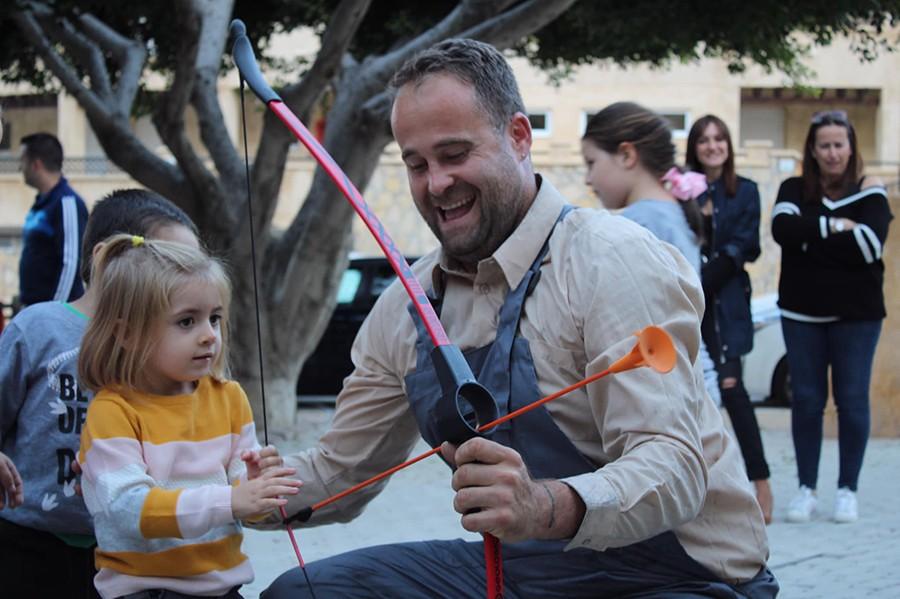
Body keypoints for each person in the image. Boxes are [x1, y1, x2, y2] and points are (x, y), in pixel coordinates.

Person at [261, 39, 776, 598]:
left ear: (519, 137)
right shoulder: (405, 309)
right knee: (306, 592)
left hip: (680, 579)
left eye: (455, 154)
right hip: (528, 573)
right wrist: (206, 498)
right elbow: (340, 473)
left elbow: (675, 467)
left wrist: (543, 505)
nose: (436, 183)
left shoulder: (613, 258)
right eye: (416, 164)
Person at [0, 189, 202, 598]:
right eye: (170, 266)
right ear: (108, 258)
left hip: (126, 555)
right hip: (24, 545)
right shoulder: (38, 328)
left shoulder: (172, 349)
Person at [77, 234, 302, 599]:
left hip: (223, 588)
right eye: (186, 322)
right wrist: (231, 500)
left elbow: (242, 500)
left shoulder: (229, 397)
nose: (209, 336)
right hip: (146, 591)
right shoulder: (114, 410)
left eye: (214, 318)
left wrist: (256, 485)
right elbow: (128, 509)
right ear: (127, 334)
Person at [772, 110, 892, 524]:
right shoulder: (793, 187)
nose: (832, 152)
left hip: (857, 316)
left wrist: (811, 237)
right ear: (813, 149)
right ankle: (806, 489)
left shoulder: (869, 190)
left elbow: (868, 245)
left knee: (852, 400)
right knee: (806, 401)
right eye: (824, 145)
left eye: (839, 144)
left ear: (851, 148)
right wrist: (835, 227)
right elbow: (782, 231)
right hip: (801, 313)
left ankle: (848, 491)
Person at [580, 101, 721, 407]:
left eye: (591, 163)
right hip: (693, 381)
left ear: (627, 155)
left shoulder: (636, 225)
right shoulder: (672, 212)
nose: (588, 180)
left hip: (669, 388)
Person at [685, 115, 774, 523]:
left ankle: (761, 483)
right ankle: (710, 486)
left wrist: (704, 276)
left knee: (733, 391)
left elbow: (747, 246)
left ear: (728, 145)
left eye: (719, 139)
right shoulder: (682, 191)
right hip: (694, 308)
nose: (712, 146)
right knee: (700, 395)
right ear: (694, 147)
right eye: (704, 140)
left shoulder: (746, 191)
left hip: (727, 306)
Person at [18, 132, 89, 306]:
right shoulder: (42, 203)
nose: (20, 169)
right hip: (34, 308)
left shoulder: (67, 202)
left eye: (22, 162)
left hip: (52, 315)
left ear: (36, 164)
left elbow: (71, 263)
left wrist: (53, 314)